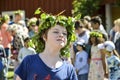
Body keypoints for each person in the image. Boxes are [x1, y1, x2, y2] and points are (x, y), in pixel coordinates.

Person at [15, 13, 78, 80]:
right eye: (56, 32)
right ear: (44, 36)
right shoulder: (29, 61)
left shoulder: (69, 69)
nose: (61, 35)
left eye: (64, 33)